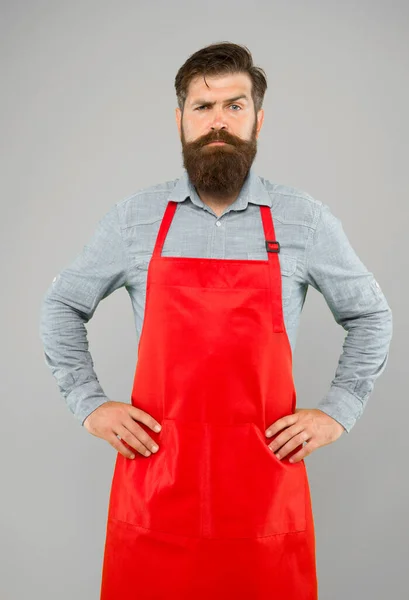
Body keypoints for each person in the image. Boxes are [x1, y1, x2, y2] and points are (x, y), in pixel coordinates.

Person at [39, 41, 393, 600]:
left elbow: (370, 315)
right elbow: (62, 305)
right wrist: (89, 403)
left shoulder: (304, 219)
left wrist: (338, 412)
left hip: (263, 497)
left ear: (258, 118)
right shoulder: (136, 218)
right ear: (180, 119)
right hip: (156, 489)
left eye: (235, 105)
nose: (218, 122)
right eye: (203, 107)